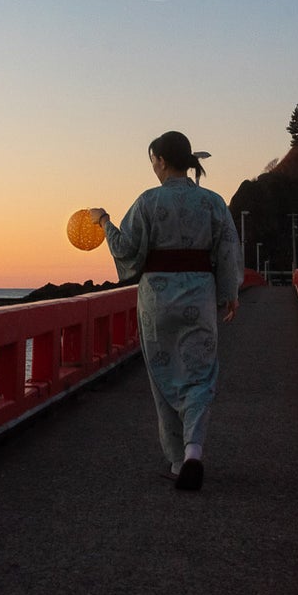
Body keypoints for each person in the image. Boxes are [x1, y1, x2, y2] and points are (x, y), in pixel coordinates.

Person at [89, 131, 243, 491]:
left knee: (164, 376)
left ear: (160, 160)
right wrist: (229, 293)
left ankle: (176, 461)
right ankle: (193, 452)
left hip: (157, 301)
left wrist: (103, 220)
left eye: (153, 160)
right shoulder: (212, 202)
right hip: (199, 296)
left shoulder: (148, 201)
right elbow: (227, 248)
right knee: (200, 374)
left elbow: (126, 249)